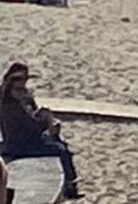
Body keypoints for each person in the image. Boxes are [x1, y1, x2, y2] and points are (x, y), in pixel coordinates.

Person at [0, 63, 82, 199]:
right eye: (19, 79)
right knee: (61, 150)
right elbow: (28, 126)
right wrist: (46, 120)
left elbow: (32, 117)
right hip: (19, 144)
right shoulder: (10, 103)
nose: (23, 82)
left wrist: (43, 116)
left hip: (28, 138)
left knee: (59, 142)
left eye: (25, 79)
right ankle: (70, 187)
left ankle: (70, 184)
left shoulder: (22, 97)